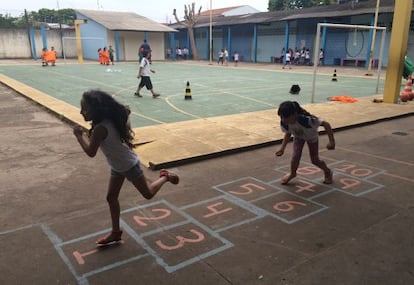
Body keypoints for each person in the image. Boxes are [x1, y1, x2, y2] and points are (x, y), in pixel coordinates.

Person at [73, 90, 179, 245]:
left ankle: (165, 176)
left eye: (85, 109)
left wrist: (78, 136)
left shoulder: (100, 129)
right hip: (117, 165)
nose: (81, 112)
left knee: (148, 194)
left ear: (97, 111)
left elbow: (91, 152)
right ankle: (116, 232)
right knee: (111, 197)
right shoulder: (109, 121)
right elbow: (125, 116)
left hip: (129, 165)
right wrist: (125, 114)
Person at [275, 101, 335, 185]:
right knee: (295, 156)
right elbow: (288, 133)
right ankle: (293, 173)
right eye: (281, 117)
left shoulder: (307, 120)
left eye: (286, 117)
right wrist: (282, 148)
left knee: (315, 160)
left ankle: (327, 171)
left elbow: (326, 124)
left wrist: (331, 141)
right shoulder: (284, 123)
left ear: (294, 114)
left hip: (311, 138)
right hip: (299, 137)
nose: (284, 120)